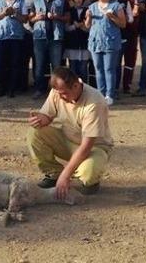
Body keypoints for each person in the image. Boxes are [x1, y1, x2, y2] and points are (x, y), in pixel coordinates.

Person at [27, 67, 113, 197]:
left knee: (88, 173)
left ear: (76, 85)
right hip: (68, 140)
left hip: (94, 147)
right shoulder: (58, 92)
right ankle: (53, 174)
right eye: (58, 93)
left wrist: (66, 176)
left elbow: (86, 146)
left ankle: (91, 182)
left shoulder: (94, 102)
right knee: (35, 133)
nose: (60, 97)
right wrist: (40, 119)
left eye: (64, 93)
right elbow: (48, 115)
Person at [27, 0, 69, 99]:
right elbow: (30, 20)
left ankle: (57, 91)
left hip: (56, 38)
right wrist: (36, 18)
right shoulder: (36, 1)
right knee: (39, 65)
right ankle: (39, 89)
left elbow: (67, 18)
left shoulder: (62, 1)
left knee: (56, 66)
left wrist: (57, 17)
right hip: (40, 38)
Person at [85, 0, 126, 105]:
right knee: (98, 69)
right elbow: (87, 26)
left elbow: (123, 24)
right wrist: (88, 17)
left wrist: (112, 17)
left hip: (110, 42)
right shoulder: (92, 6)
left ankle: (110, 94)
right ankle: (100, 94)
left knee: (109, 68)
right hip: (95, 42)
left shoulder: (116, 6)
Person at [108, 0, 133, 97]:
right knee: (109, 65)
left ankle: (116, 89)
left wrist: (120, 18)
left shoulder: (124, 1)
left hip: (121, 37)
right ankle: (108, 89)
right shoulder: (104, 1)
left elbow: (131, 18)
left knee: (117, 64)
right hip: (107, 37)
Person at [18, 0, 39, 93]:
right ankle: (23, 85)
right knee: (24, 61)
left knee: (38, 62)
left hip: (39, 34)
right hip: (25, 33)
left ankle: (37, 85)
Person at [64, 0, 90, 83]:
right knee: (73, 69)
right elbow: (66, 28)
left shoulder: (88, 10)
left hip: (84, 43)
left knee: (83, 69)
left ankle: (84, 89)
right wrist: (75, 26)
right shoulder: (69, 11)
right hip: (72, 44)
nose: (78, 0)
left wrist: (82, 26)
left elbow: (89, 28)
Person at [119, 0, 139, 94]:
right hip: (119, 34)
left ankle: (127, 85)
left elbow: (136, 12)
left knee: (130, 61)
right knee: (116, 61)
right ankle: (115, 85)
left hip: (132, 34)